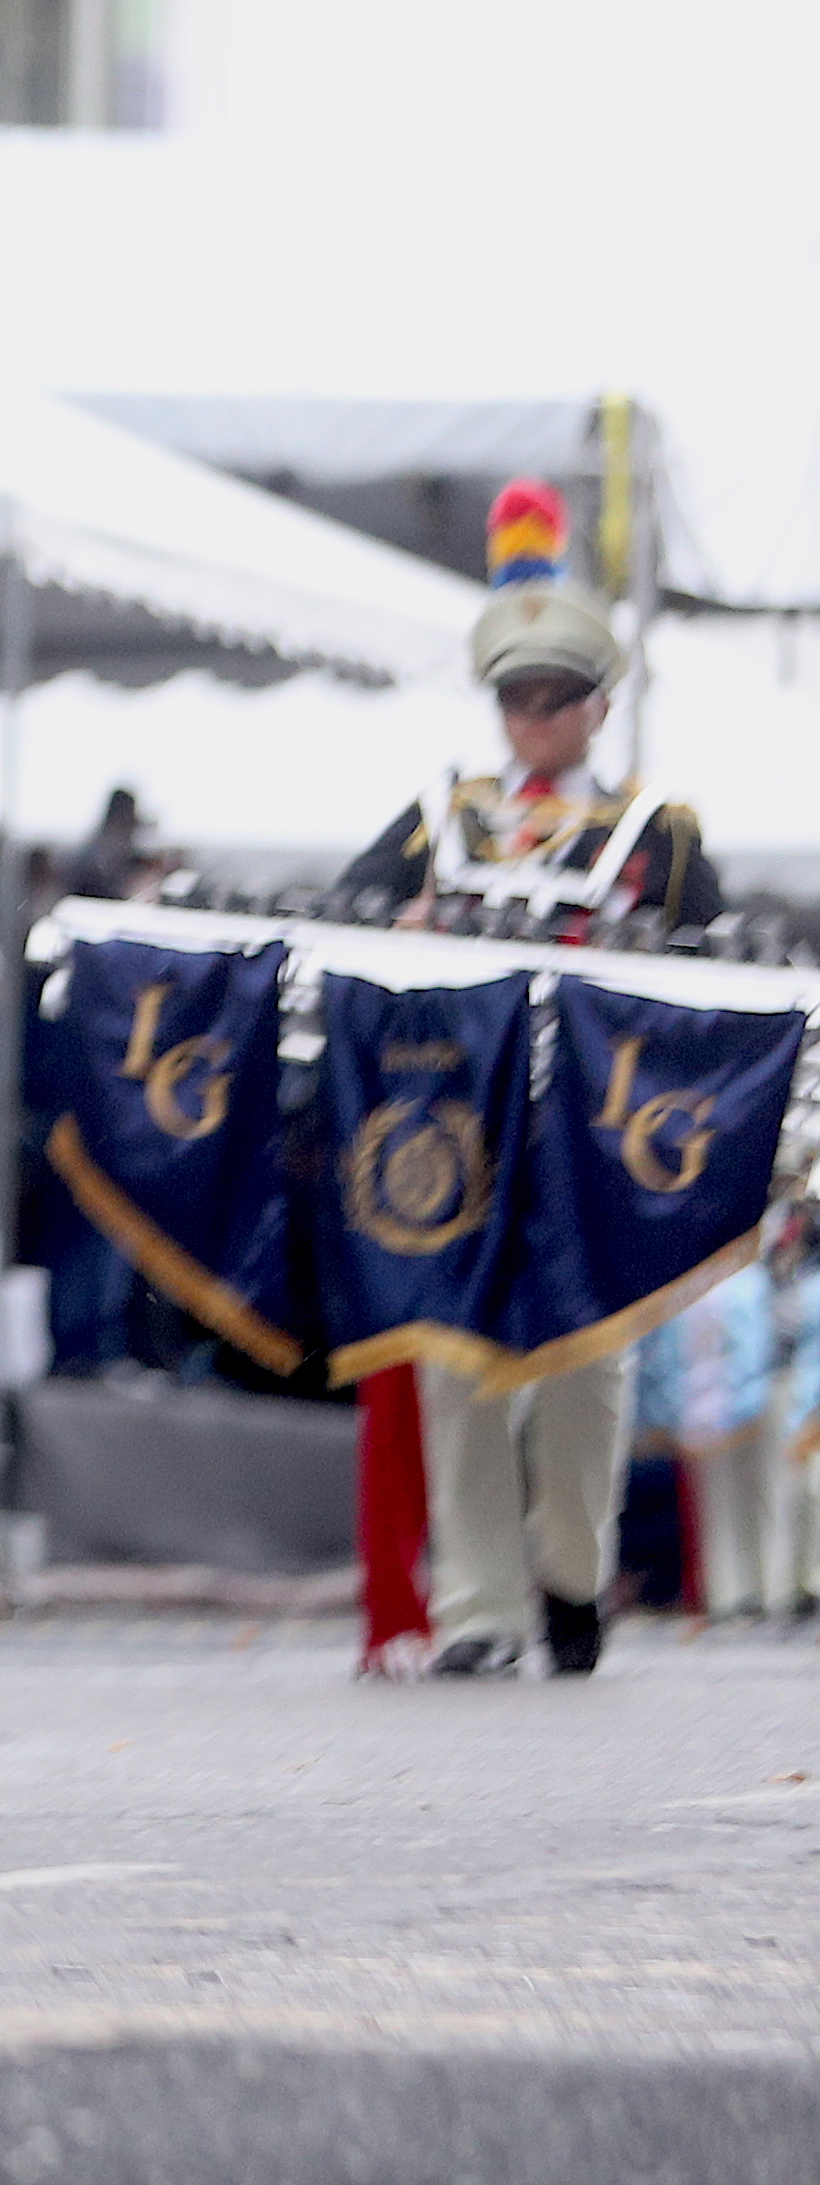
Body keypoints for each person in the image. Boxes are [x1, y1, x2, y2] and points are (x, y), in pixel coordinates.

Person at [334, 479, 719, 1678]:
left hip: (594, 1131)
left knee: (586, 1366)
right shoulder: (438, 818)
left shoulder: (659, 832)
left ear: (598, 709)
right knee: (456, 1361)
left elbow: (720, 977)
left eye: (555, 698)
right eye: (516, 696)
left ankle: (569, 1579)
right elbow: (346, 923)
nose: (533, 718)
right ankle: (478, 1608)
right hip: (453, 1120)